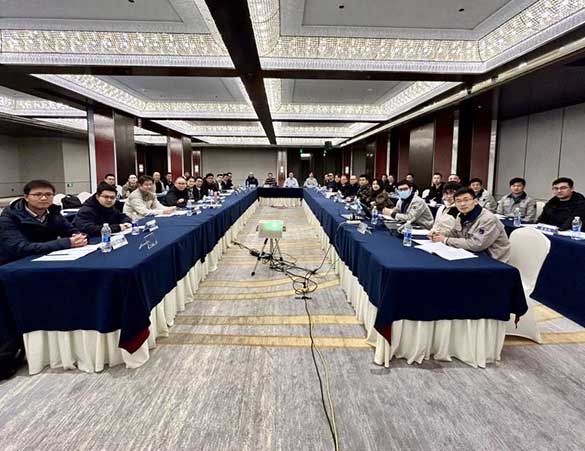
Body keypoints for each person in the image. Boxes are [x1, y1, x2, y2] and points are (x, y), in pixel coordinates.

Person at [0, 180, 87, 265]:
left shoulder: (53, 212)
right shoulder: (9, 217)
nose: (44, 198)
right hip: (13, 263)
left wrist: (79, 237)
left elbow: (72, 231)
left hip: (45, 258)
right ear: (26, 197)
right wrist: (65, 243)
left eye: (48, 194)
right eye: (38, 195)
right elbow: (20, 248)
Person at [430, 187, 511, 263]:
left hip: (493, 260)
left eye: (466, 200)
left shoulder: (488, 219)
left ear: (475, 201)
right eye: (458, 201)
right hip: (469, 254)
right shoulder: (461, 215)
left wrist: (446, 240)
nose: (462, 204)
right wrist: (439, 234)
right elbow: (454, 233)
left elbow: (477, 245)